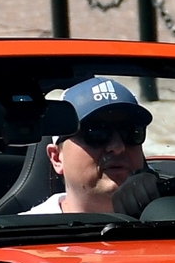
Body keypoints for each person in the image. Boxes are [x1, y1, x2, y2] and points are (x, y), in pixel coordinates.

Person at [26, 77, 157, 215]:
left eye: (131, 132)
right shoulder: (23, 232)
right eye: (96, 133)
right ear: (57, 158)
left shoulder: (171, 224)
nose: (117, 147)